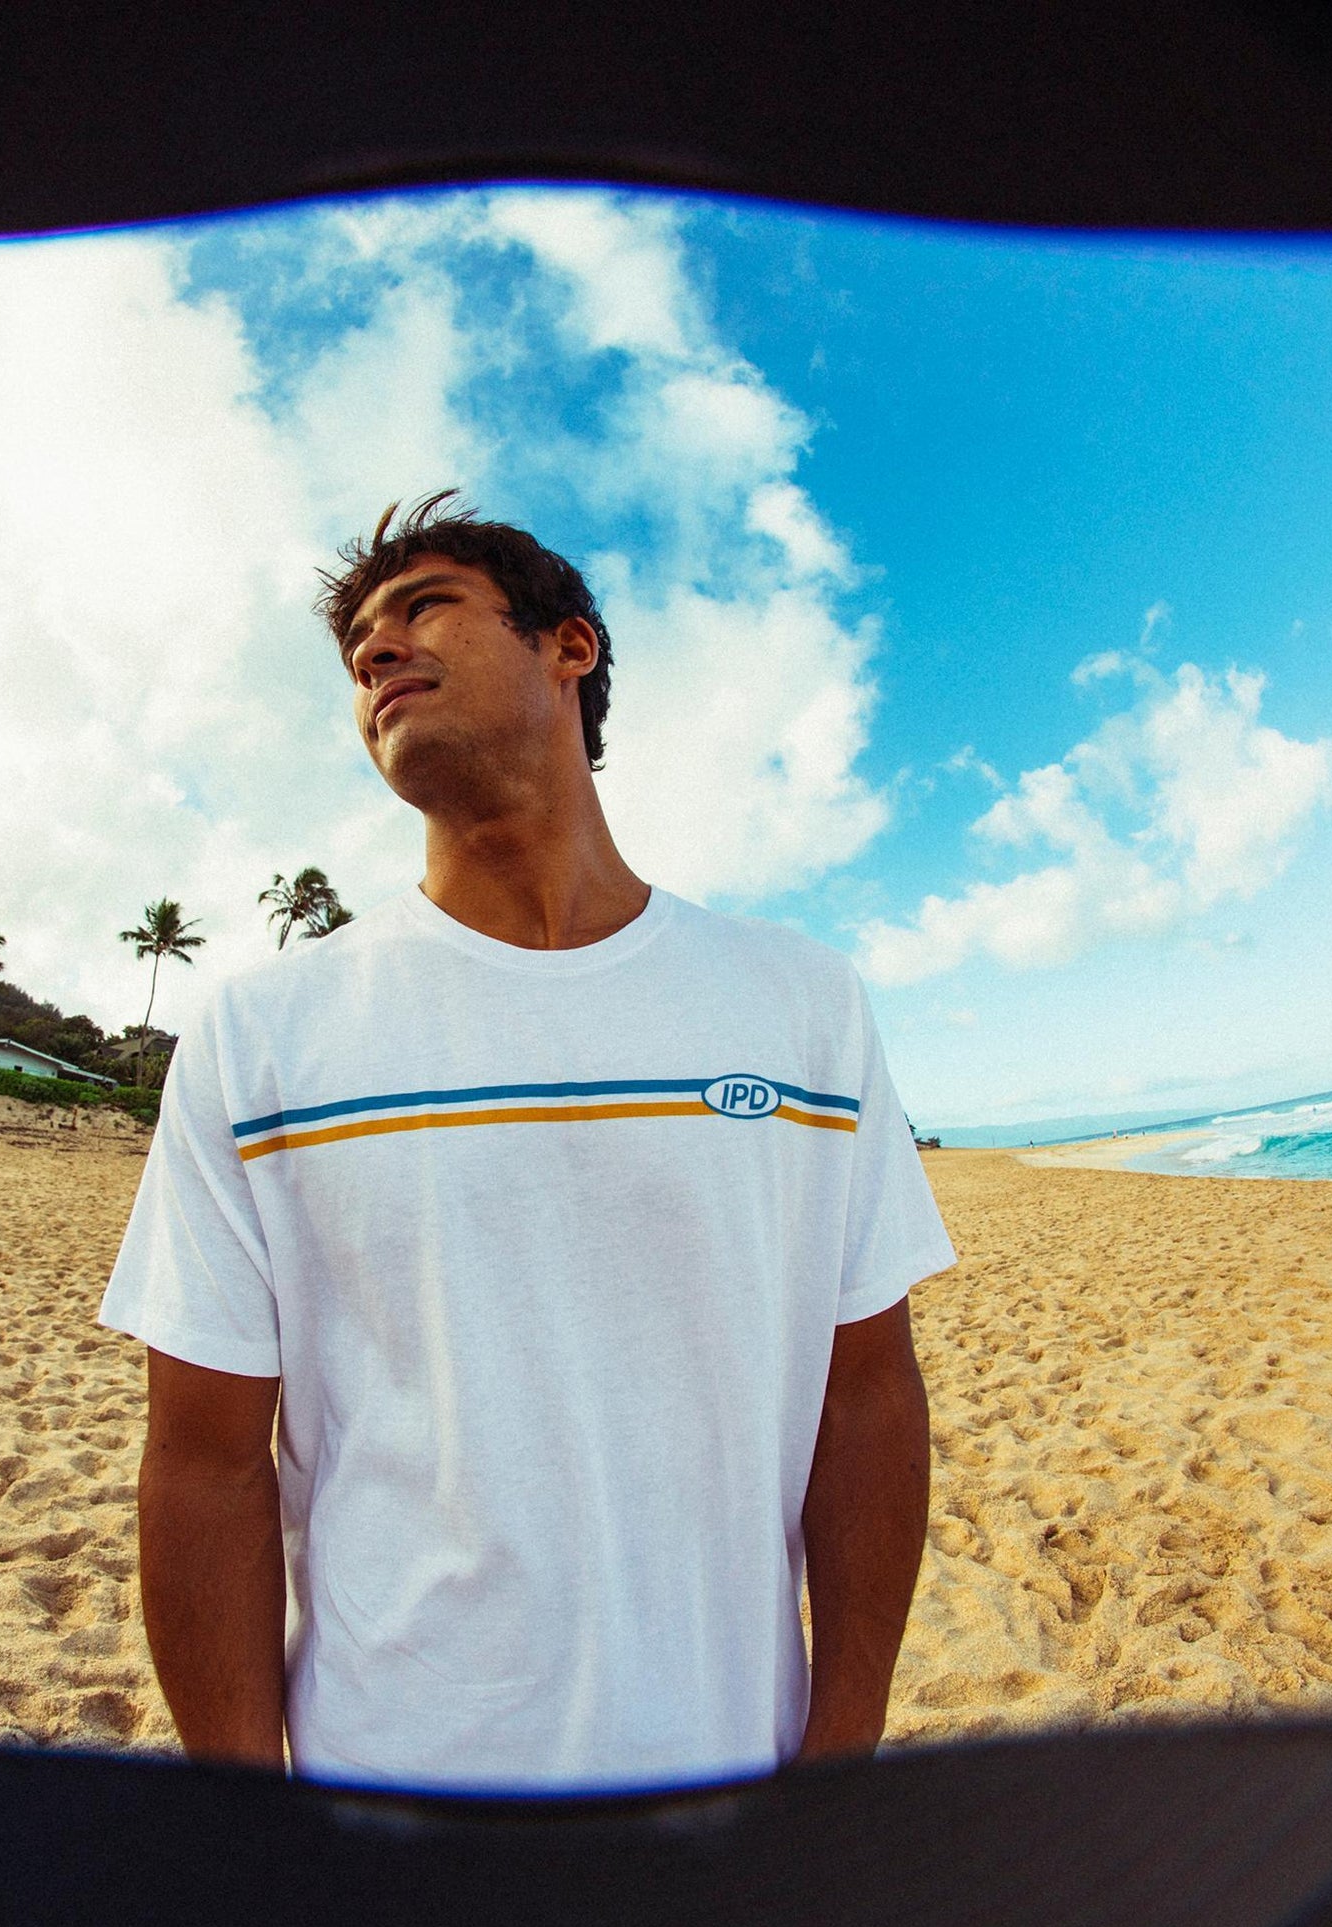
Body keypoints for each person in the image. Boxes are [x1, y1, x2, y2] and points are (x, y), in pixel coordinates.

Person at [100, 493, 954, 1791]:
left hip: (737, 1776)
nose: (377, 653)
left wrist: (842, 1749)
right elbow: (205, 1463)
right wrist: (259, 1829)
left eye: (425, 607)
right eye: (358, 649)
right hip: (388, 1788)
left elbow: (867, 1395)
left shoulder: (799, 1003)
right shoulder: (262, 1037)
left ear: (570, 646)